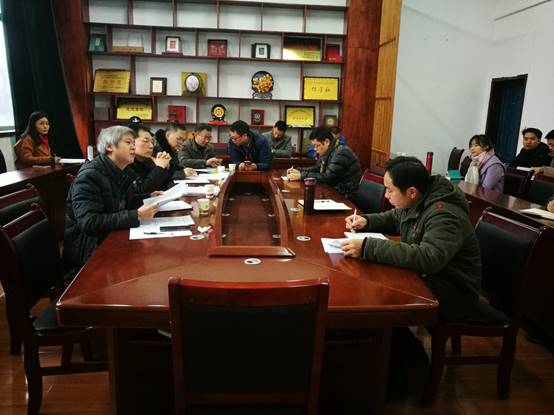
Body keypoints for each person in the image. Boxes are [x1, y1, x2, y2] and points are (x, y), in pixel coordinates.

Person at [342, 156, 482, 322]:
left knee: (380, 294)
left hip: (453, 290)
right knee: (374, 281)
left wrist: (368, 247)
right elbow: (395, 218)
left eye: (390, 190)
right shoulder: (419, 198)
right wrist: (367, 221)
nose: (386, 195)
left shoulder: (444, 214)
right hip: (427, 277)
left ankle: (391, 337)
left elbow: (428, 257)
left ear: (412, 192)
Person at [63, 126, 159, 279]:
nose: (133, 147)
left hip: (109, 238)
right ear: (109, 146)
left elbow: (122, 201)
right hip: (89, 252)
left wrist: (149, 196)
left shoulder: (120, 171)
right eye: (128, 142)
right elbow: (90, 222)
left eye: (134, 143)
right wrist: (137, 215)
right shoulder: (90, 176)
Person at [287, 126, 361, 195]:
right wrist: (299, 171)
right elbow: (317, 168)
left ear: (326, 142)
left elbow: (328, 177)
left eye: (317, 145)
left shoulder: (340, 152)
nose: (315, 149)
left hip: (346, 193)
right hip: (335, 188)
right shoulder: (330, 150)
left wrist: (301, 176)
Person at [125, 123, 172, 193]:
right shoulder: (125, 164)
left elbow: (163, 187)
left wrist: (165, 168)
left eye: (152, 142)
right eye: (145, 141)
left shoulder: (149, 160)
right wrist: (160, 167)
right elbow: (142, 191)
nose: (151, 146)